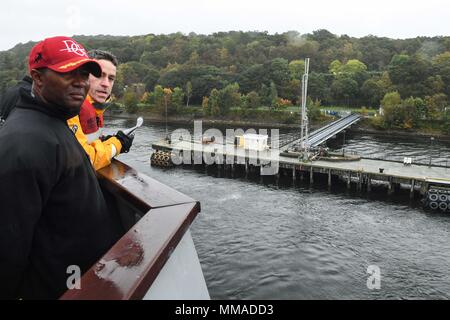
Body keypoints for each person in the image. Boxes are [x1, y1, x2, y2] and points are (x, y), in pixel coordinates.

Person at [0, 36, 123, 299]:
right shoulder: (25, 144)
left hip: (79, 280)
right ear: (38, 78)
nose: (80, 81)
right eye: (67, 73)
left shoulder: (52, 122)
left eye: (83, 73)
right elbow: (8, 247)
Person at [67, 50, 134, 170]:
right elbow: (87, 160)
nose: (106, 84)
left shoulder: (96, 110)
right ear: (84, 75)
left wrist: (105, 141)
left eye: (111, 78)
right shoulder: (70, 109)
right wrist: (118, 143)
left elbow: (89, 143)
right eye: (99, 75)